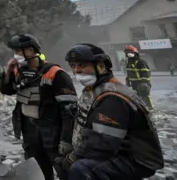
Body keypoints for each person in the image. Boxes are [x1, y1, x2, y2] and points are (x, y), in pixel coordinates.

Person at [56, 43, 163, 180]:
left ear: (100, 66)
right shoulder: (94, 89)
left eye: (82, 66)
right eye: (73, 66)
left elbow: (103, 143)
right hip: (118, 149)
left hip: (135, 158)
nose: (77, 70)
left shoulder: (112, 97)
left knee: (81, 169)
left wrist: (71, 159)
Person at [0, 34, 77, 180]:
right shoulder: (19, 71)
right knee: (38, 171)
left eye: (19, 51)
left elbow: (69, 110)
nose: (16, 55)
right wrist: (7, 72)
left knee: (63, 170)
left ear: (30, 50)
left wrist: (66, 139)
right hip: (29, 130)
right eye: (15, 51)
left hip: (52, 131)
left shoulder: (55, 73)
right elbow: (7, 90)